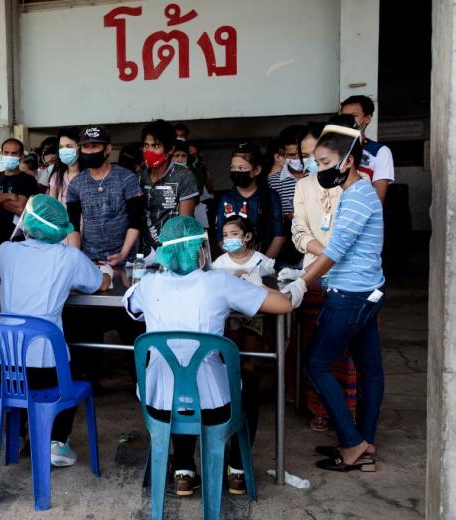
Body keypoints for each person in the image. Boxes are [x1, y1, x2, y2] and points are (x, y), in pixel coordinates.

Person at [123, 216, 292, 495]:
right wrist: (256, 285)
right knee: (246, 382)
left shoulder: (149, 285)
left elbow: (130, 305)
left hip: (156, 404)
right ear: (198, 250)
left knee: (177, 389)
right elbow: (283, 304)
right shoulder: (220, 282)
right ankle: (237, 470)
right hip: (216, 407)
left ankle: (183, 470)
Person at [281, 124, 384, 472]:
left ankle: (353, 442)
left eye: (325, 162)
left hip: (351, 294)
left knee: (316, 363)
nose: (319, 169)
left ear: (349, 161)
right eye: (315, 162)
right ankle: (364, 442)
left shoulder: (357, 196)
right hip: (365, 290)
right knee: (370, 369)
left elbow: (335, 251)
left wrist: (300, 282)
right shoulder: (357, 191)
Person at [0, 194, 112, 466]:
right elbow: (98, 284)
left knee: (19, 380)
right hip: (44, 368)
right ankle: (56, 441)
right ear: (59, 229)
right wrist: (107, 272)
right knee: (77, 366)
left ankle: (17, 434)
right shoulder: (69, 256)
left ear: (27, 223)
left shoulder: (6, 250)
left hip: (2, 362)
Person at [289, 121, 358, 432]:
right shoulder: (303, 186)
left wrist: (333, 254)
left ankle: (349, 410)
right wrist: (324, 252)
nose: (309, 162)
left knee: (346, 349)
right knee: (312, 343)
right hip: (314, 272)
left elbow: (355, 234)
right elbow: (298, 231)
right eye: (305, 156)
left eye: (314, 155)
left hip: (349, 278)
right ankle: (318, 407)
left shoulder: (355, 183)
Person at [66, 125, 144, 266]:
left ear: (107, 149)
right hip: (90, 261)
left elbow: (136, 220)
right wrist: (76, 258)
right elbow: (73, 225)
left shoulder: (127, 178)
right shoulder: (75, 184)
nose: (89, 151)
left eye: (94, 146)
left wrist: (123, 254)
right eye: (85, 147)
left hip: (126, 261)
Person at [215, 142, 285, 260]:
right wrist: (238, 260)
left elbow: (279, 236)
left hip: (265, 264)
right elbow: (219, 237)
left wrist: (262, 264)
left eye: (241, 168)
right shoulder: (226, 199)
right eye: (233, 168)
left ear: (256, 170)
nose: (236, 172)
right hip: (235, 264)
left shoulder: (271, 197)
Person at [139, 119, 198, 256]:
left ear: (170, 149)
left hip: (173, 253)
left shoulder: (184, 176)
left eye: (155, 146)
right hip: (144, 254)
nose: (149, 151)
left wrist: (172, 255)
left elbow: (185, 222)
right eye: (146, 146)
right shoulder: (139, 177)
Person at [340, 95, 395, 204]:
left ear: (367, 118)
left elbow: (377, 201)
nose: (348, 121)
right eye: (344, 117)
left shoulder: (380, 152)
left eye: (353, 116)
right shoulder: (333, 149)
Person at [0, 138, 39, 250]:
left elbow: (20, 208)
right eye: (6, 152)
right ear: (1, 153)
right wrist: (9, 196)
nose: (9, 156)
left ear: (21, 156)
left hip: (18, 238)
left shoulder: (27, 180)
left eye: (14, 153)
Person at [213, 215, 275, 279]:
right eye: (225, 235)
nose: (228, 238)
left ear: (248, 237)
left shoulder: (260, 260)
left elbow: (273, 281)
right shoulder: (220, 262)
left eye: (234, 234)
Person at [268, 125, 307, 218]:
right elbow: (273, 218)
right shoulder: (274, 182)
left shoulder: (319, 176)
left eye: (303, 154)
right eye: (292, 155)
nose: (299, 159)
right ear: (282, 152)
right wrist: (288, 217)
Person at [48, 126, 82, 204]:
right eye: (61, 147)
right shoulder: (57, 177)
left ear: (80, 148)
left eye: (69, 146)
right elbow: (52, 206)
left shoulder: (90, 175)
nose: (64, 150)